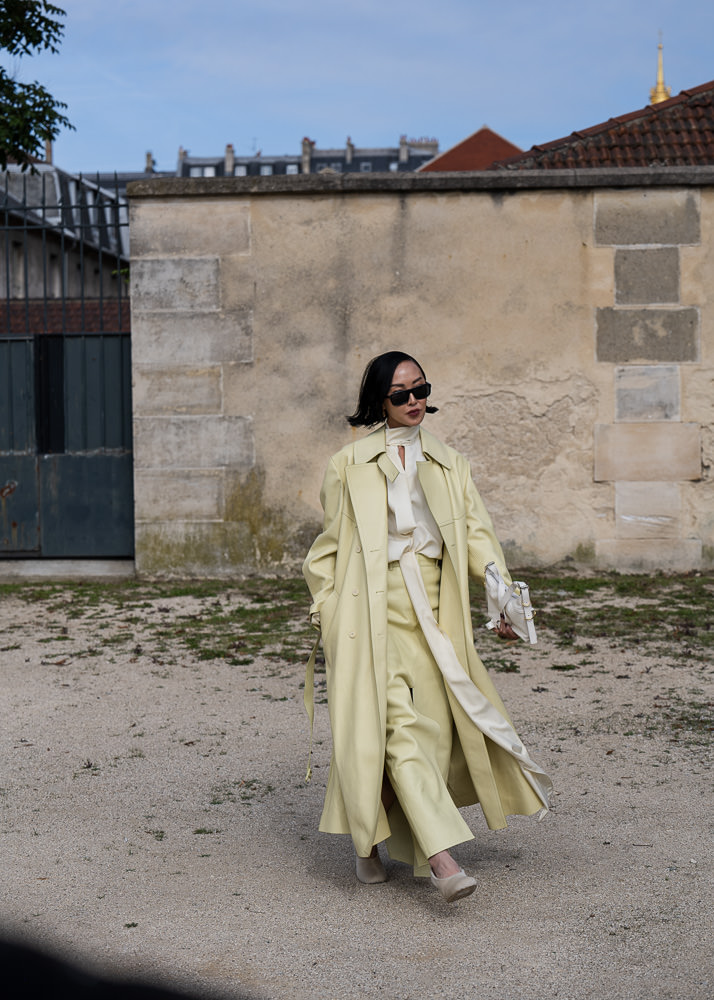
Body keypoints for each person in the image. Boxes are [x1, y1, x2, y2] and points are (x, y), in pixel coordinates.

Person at [302, 351, 552, 903]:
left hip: (437, 610)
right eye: (400, 395)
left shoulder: (450, 463)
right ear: (379, 403)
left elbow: (480, 538)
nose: (414, 401)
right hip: (367, 611)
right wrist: (328, 609)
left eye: (421, 390)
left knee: (431, 731)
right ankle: (442, 861)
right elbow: (327, 549)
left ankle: (369, 840)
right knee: (393, 728)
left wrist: (504, 602)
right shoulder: (347, 464)